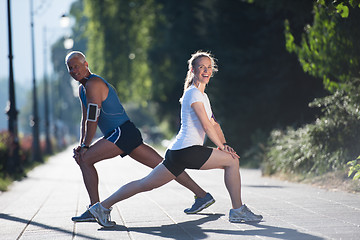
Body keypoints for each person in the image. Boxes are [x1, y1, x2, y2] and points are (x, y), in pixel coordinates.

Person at [88, 51, 263, 227]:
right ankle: (238, 210)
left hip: (177, 153)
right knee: (232, 162)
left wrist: (223, 144)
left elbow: (215, 125)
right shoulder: (193, 94)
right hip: (187, 150)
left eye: (209, 67)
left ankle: (101, 207)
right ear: (193, 70)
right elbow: (206, 126)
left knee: (145, 184)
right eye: (201, 67)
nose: (206, 70)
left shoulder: (203, 96)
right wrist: (222, 148)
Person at [65, 51, 215, 223]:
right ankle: (202, 195)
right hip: (125, 133)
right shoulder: (83, 88)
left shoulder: (93, 84)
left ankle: (95, 209)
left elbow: (93, 119)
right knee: (166, 166)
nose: (74, 70)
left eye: (76, 66)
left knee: (85, 159)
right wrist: (81, 143)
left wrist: (85, 147)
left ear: (86, 65)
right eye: (70, 68)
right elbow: (85, 119)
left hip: (121, 133)